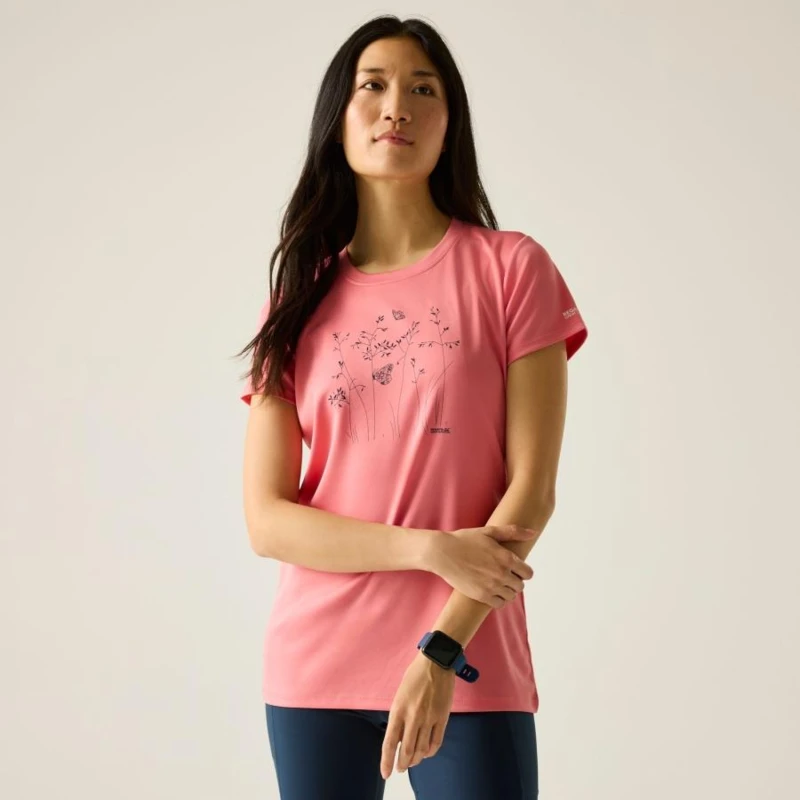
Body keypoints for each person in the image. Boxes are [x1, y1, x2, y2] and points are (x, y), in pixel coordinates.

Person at [236, 14, 588, 800]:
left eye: (423, 90)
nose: (397, 106)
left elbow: (530, 494)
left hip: (466, 656)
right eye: (374, 86)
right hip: (315, 666)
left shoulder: (512, 270)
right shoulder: (296, 299)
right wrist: (430, 548)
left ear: (449, 123)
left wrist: (439, 651)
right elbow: (268, 521)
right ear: (338, 119)